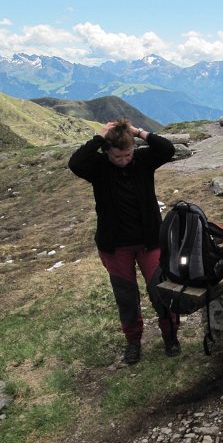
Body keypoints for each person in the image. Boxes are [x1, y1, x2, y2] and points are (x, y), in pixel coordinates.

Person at [68, 120, 179, 365]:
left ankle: (170, 336)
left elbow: (167, 149)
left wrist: (138, 132)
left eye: (128, 154)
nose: (124, 159)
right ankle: (133, 342)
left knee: (160, 290)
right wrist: (100, 136)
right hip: (115, 246)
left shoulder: (142, 160)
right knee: (126, 297)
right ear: (107, 151)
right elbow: (74, 163)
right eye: (118, 156)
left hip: (150, 241)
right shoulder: (97, 167)